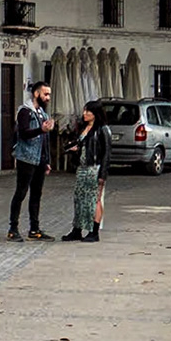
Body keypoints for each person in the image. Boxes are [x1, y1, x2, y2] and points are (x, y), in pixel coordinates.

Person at [7, 80, 55, 241]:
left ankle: (34, 229)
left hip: (39, 159)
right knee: (21, 192)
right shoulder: (25, 111)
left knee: (36, 194)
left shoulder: (42, 113)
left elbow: (45, 139)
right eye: (45, 94)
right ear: (36, 93)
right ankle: (13, 228)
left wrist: (47, 159)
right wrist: (41, 129)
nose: (48, 97)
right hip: (26, 158)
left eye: (49, 94)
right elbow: (24, 133)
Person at [62, 100, 109, 242]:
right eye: (84, 111)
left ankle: (94, 231)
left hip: (94, 168)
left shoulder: (102, 129)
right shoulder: (84, 128)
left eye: (88, 111)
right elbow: (81, 144)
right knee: (79, 199)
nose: (85, 114)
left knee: (94, 200)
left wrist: (103, 174)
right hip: (82, 168)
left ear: (95, 114)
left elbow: (107, 153)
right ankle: (77, 229)